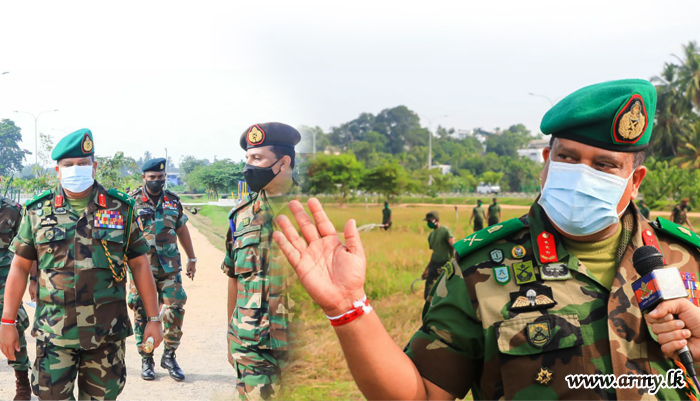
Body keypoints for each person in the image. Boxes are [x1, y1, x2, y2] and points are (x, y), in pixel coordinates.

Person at [273, 79, 700, 399]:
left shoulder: (687, 259)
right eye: (569, 158)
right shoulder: (479, 269)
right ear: (547, 162)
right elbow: (420, 394)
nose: (582, 175)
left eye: (604, 165)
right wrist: (349, 308)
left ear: (635, 179)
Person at [0, 129, 163, 400]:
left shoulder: (120, 208)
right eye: (68, 165)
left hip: (106, 334)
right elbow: (18, 267)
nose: (76, 169)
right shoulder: (37, 211)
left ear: (94, 166)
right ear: (57, 170)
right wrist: (7, 322)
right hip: (54, 336)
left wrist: (154, 318)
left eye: (83, 164)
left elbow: (140, 264)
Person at [222, 122, 299, 400]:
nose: (248, 167)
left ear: (283, 162)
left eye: (257, 159)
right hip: (251, 344)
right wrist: (231, 336)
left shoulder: (314, 212)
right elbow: (234, 279)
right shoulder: (240, 216)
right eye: (247, 159)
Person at [128, 158, 197, 381]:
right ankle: (147, 359)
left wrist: (192, 257)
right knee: (141, 313)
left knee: (175, 308)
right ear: (144, 178)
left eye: (161, 177)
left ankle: (169, 355)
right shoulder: (132, 202)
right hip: (141, 268)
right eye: (152, 177)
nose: (157, 181)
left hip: (169, 267)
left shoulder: (172, 201)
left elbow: (182, 229)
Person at [0, 194, 31, 400]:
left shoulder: (13, 209)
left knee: (14, 325)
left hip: (5, 279)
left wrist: (35, 278)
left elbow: (28, 246)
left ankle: (22, 382)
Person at [420, 211, 455, 300]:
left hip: (445, 264)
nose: (428, 223)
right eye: (427, 222)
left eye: (430, 221)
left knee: (442, 293)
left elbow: (454, 247)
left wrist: (456, 263)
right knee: (428, 294)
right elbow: (435, 252)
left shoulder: (445, 231)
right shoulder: (431, 235)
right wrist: (427, 269)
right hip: (434, 265)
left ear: (437, 220)